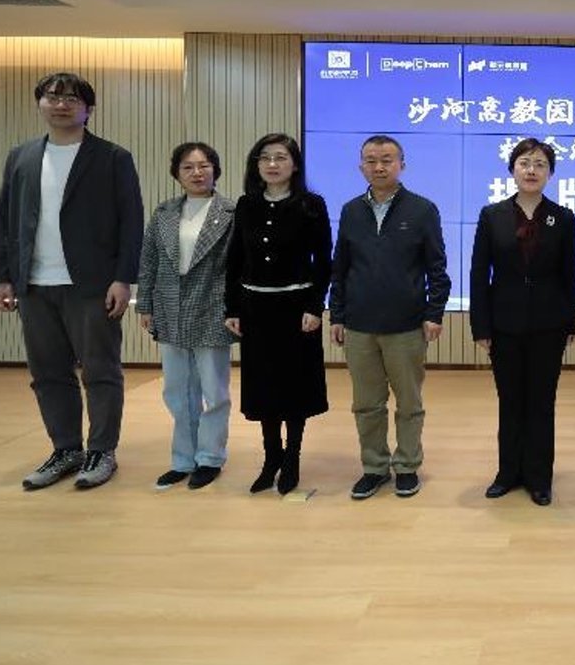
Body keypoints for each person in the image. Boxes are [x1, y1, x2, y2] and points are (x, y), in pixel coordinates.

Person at [0, 72, 144, 491]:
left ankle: (102, 450)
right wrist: (3, 276)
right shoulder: (21, 157)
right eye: (52, 97)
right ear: (40, 103)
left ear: (88, 109)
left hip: (92, 284)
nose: (61, 105)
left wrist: (123, 278)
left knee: (100, 371)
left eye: (72, 99)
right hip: (33, 284)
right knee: (47, 373)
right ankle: (66, 448)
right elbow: (5, 219)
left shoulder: (112, 157)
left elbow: (131, 222)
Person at [329, 136, 450, 501]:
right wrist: (337, 315)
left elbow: (437, 268)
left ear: (402, 165)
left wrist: (434, 313)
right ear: (361, 166)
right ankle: (374, 467)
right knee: (367, 403)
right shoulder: (351, 210)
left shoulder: (422, 209)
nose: (379, 167)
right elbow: (340, 268)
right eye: (371, 160)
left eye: (386, 160)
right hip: (359, 325)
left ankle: (407, 466)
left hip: (407, 324)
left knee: (409, 403)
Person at [470, 138, 575, 506]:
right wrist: (481, 326)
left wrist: (571, 321)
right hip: (504, 323)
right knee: (510, 400)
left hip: (549, 324)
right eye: (524, 163)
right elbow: (478, 274)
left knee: (542, 402)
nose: (532, 170)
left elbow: (569, 273)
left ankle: (539, 477)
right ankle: (508, 473)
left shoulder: (563, 218)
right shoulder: (492, 215)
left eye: (540, 164)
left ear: (550, 173)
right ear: (512, 170)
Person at [224, 134, 332, 495]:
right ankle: (271, 456)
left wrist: (315, 306)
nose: (272, 164)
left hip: (296, 309)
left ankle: (292, 458)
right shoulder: (246, 205)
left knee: (294, 385)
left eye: (281, 157)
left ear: (295, 164)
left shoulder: (311, 205)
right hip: (256, 308)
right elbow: (235, 259)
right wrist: (232, 307)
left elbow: (324, 262)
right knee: (263, 385)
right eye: (265, 157)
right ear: (256, 165)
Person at [136, 142, 237, 490]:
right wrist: (145, 305)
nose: (197, 173)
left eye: (204, 165)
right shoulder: (164, 212)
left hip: (213, 307)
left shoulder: (231, 212)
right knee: (177, 390)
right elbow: (149, 260)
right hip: (169, 308)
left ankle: (210, 458)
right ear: (176, 174)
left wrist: (235, 309)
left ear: (215, 170)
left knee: (214, 390)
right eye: (188, 167)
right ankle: (183, 459)